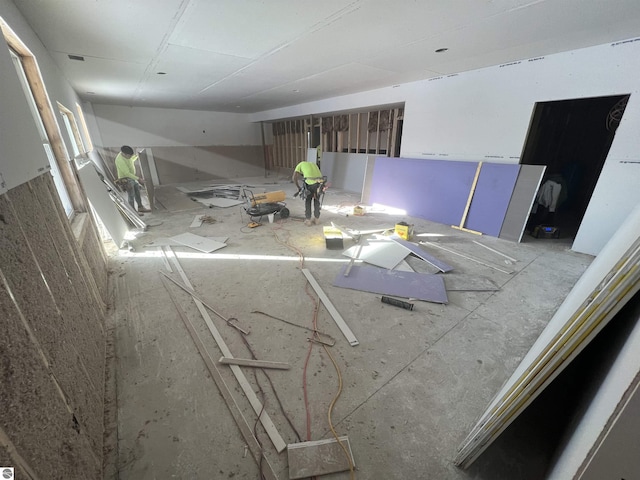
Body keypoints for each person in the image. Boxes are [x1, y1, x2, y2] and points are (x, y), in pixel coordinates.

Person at [115, 145, 150, 213]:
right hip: (125, 179)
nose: (130, 157)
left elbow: (131, 160)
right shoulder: (120, 160)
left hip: (132, 177)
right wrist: (139, 179)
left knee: (137, 193)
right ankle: (133, 211)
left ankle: (140, 207)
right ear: (124, 154)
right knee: (131, 195)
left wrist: (136, 156)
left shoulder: (127, 156)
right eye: (129, 156)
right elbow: (127, 173)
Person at [292, 159, 325, 226]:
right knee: (316, 200)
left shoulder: (299, 165)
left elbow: (294, 178)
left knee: (308, 200)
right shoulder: (313, 164)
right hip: (320, 184)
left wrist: (299, 187)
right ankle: (317, 219)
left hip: (310, 184)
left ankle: (308, 220)